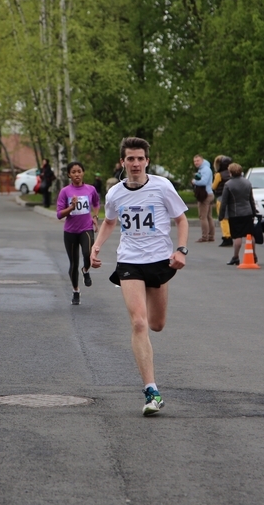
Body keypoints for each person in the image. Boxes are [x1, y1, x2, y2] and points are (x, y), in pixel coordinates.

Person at [90, 137, 188, 416]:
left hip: (159, 261)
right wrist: (97, 246)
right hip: (129, 261)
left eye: (140, 158)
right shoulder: (115, 193)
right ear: (123, 162)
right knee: (139, 323)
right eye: (130, 159)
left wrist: (181, 250)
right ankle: (151, 391)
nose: (135, 164)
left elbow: (181, 219)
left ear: (147, 161)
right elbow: (110, 221)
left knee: (157, 324)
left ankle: (151, 387)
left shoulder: (162, 187)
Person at [57, 162, 100, 305]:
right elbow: (59, 214)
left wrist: (95, 216)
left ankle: (86, 270)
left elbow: (96, 203)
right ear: (69, 174)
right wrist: (71, 207)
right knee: (73, 263)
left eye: (79, 171)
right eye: (73, 172)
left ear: (83, 173)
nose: (77, 174)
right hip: (70, 232)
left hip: (86, 228)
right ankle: (76, 291)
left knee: (88, 255)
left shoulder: (90, 189)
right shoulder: (65, 192)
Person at [218, 162, 258, 265]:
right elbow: (251, 199)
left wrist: (221, 215)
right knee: (250, 234)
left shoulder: (228, 184)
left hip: (235, 213)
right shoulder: (247, 183)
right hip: (248, 212)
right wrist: (254, 211)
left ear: (230, 172)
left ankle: (236, 256)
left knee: (237, 236)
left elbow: (224, 202)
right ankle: (253, 254)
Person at [191, 154, 215, 242]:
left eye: (198, 161)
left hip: (205, 195)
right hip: (209, 193)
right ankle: (211, 236)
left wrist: (194, 181)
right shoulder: (204, 169)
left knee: (203, 217)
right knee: (209, 216)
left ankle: (205, 236)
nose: (196, 163)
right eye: (194, 161)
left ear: (202, 160)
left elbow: (204, 182)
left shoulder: (205, 170)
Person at [212, 155, 233, 247]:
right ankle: (231, 234)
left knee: (223, 218)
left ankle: (226, 236)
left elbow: (214, 186)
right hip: (232, 198)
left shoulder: (219, 175)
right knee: (230, 218)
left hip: (221, 197)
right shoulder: (232, 173)